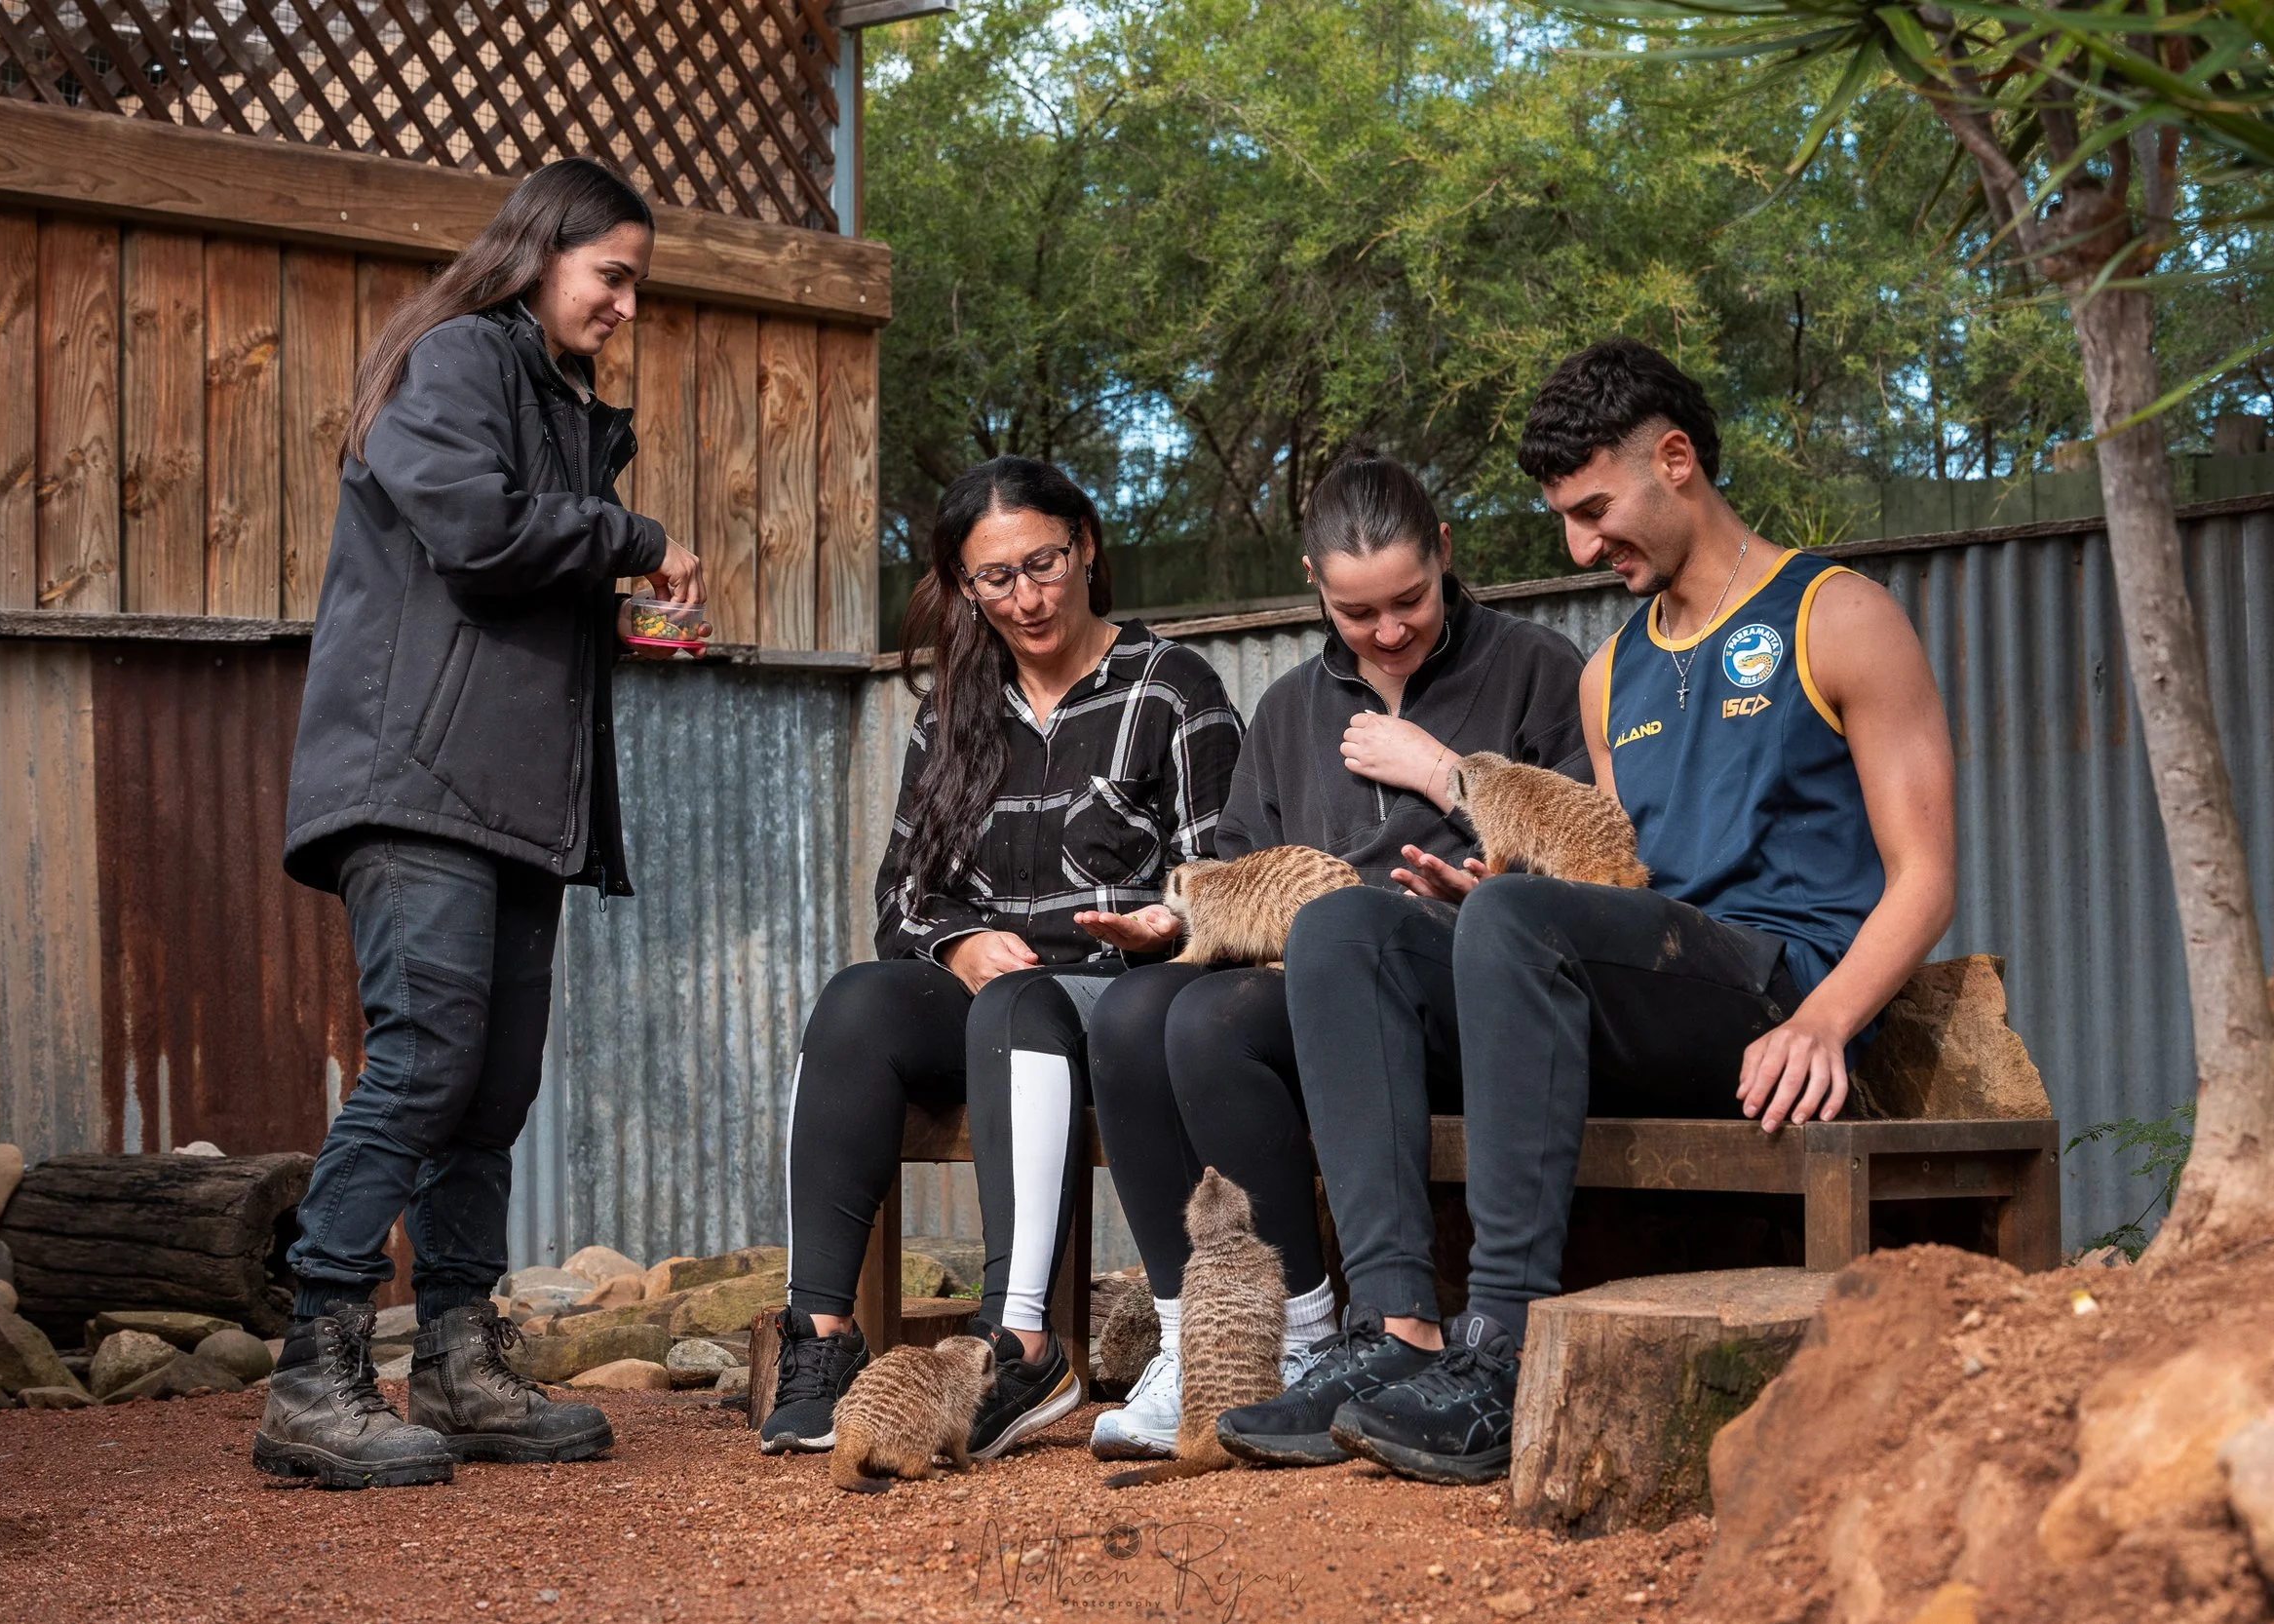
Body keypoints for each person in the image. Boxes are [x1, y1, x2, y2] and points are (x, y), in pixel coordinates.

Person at [1221, 337, 1956, 1485]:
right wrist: (1493, 911)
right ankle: (1395, 1326)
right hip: (1644, 983)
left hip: (1771, 991)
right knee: (1346, 927)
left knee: (1519, 918)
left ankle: (1504, 1343)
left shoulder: (1837, 615)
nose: (1578, 545)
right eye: (1563, 518)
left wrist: (1825, 1019)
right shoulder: (1610, 674)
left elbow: (1926, 873)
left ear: (1676, 461)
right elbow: (1613, 887)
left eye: (1593, 511)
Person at [261, 157, 707, 1489]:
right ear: (539, 250)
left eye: (637, 283)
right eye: (611, 274)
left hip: (513, 792)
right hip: (416, 777)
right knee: (424, 1059)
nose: (626, 305)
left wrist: (621, 597)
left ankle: (457, 1358)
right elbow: (473, 527)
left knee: (491, 1085)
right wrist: (633, 537)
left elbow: (520, 569)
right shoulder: (458, 356)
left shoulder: (559, 403)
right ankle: (314, 1370)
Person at [1082, 448, 1588, 1461]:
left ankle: (1353, 1326)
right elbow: (1243, 866)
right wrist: (1178, 924)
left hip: (1473, 990)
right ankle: (1240, 1335)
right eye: (1358, 612)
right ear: (1314, 582)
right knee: (1137, 1014)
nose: (1389, 630)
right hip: (1318, 986)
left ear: (1445, 552)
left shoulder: (1537, 667)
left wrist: (1448, 786)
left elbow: (1590, 854)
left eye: (1409, 600)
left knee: (1294, 964)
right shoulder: (1288, 710)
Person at [760, 456, 1242, 1462]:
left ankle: (1020, 1343)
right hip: (985, 1001)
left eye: (1043, 564)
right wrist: (961, 940)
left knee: (1019, 1006)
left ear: (1086, 546)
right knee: (856, 1001)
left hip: (1119, 1004)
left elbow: (1228, 877)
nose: (1025, 598)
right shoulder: (954, 708)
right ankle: (821, 1336)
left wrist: (1166, 923)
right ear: (963, 584)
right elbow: (901, 897)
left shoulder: (1171, 687)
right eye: (995, 577)